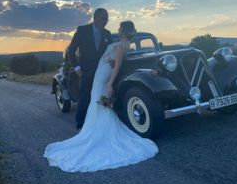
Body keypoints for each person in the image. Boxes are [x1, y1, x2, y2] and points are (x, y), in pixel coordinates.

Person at [44, 21, 158, 172]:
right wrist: (111, 60)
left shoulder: (123, 44)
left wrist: (110, 83)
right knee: (98, 99)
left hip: (104, 76)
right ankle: (99, 119)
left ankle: (100, 124)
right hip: (101, 73)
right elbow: (117, 59)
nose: (118, 29)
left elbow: (117, 65)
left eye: (120, 28)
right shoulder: (125, 43)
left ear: (123, 30)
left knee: (100, 99)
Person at [68, 8, 113, 129]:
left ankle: (105, 119)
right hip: (85, 71)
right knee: (84, 96)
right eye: (103, 18)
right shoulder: (82, 30)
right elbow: (71, 50)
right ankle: (81, 123)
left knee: (103, 95)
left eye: (107, 19)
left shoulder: (107, 34)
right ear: (95, 17)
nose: (105, 22)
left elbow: (110, 53)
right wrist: (76, 67)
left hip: (102, 72)